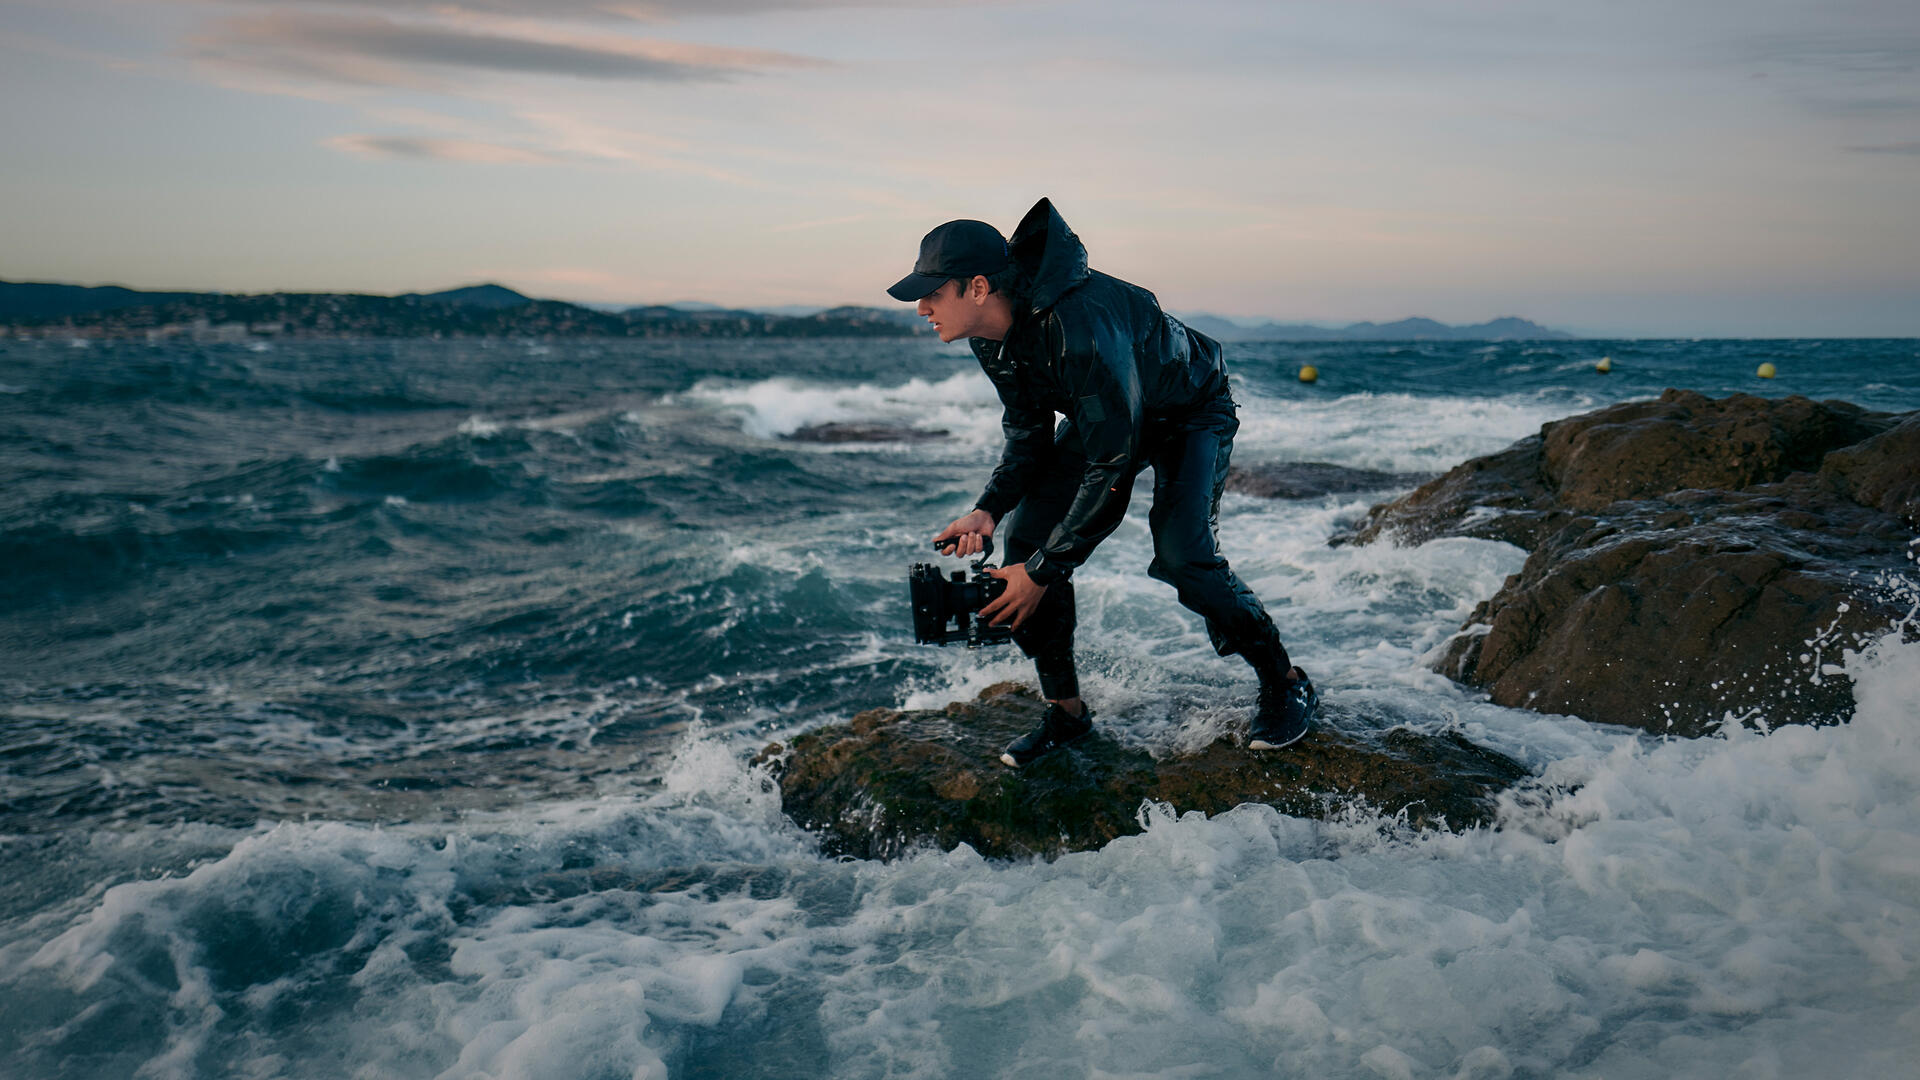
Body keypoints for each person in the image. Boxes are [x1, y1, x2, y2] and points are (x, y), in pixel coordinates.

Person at [887, 197, 1317, 767]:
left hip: (1188, 411)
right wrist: (988, 509)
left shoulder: (1079, 327)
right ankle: (1068, 713)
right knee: (1022, 548)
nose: (921, 308)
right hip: (1113, 413)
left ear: (978, 287)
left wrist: (1045, 571)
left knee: (1184, 556)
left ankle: (1286, 682)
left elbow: (1111, 466)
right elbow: (1027, 434)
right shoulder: (989, 338)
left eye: (932, 293)